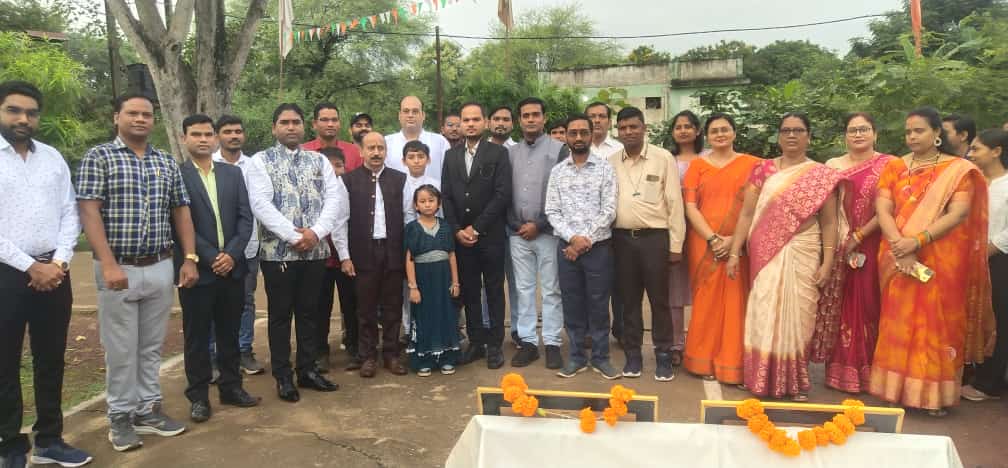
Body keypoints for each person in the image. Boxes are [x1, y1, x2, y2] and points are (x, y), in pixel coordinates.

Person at [77, 92, 197, 451]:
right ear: (117, 117)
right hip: (119, 268)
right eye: (132, 113)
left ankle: (147, 409)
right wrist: (108, 263)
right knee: (120, 349)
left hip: (159, 265)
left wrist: (189, 258)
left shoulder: (165, 161)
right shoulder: (99, 157)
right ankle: (120, 415)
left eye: (146, 114)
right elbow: (89, 211)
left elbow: (181, 211)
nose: (141, 119)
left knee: (151, 345)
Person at [869, 107, 994, 416]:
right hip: (897, 255)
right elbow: (883, 208)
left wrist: (917, 241)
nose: (912, 136)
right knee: (897, 322)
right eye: (908, 132)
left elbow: (959, 213)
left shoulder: (958, 169)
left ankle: (932, 396)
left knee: (936, 324)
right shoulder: (895, 166)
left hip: (939, 257)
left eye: (919, 130)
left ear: (937, 133)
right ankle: (894, 390)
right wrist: (900, 244)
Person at [0, 81, 91, 467]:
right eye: (14, 110)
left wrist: (60, 262)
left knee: (51, 358)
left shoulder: (52, 158)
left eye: (31, 112)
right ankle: (9, 445)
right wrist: (30, 266)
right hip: (6, 274)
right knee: (4, 362)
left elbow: (71, 211)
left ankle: (50, 439)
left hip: (55, 271)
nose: (24, 118)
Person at [726, 112, 844, 401]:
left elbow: (830, 222)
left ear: (809, 137)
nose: (792, 135)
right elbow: (747, 214)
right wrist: (734, 252)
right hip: (765, 249)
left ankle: (793, 381)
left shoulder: (821, 175)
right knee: (763, 310)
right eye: (786, 130)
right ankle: (759, 378)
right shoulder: (763, 170)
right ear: (778, 136)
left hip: (805, 247)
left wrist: (828, 261)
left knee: (801, 315)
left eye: (798, 130)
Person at [246, 103, 345, 402]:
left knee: (309, 313)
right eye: (284, 122)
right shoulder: (260, 161)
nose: (291, 127)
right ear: (274, 127)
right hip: (278, 254)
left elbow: (333, 200)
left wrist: (315, 233)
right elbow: (260, 204)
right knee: (280, 316)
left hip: (315, 252)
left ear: (304, 126)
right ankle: (283, 376)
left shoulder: (319, 160)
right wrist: (293, 236)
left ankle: (308, 370)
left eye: (296, 122)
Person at [175, 114, 260, 424]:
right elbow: (179, 222)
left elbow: (246, 218)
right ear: (184, 138)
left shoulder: (232, 174)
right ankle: (198, 396)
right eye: (196, 134)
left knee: (229, 332)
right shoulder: (178, 174)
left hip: (233, 268)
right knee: (197, 336)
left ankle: (231, 387)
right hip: (198, 269)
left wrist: (232, 254)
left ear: (214, 138)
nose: (203, 139)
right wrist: (213, 256)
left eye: (207, 134)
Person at [808, 113, 892, 393]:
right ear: (845, 135)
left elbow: (890, 208)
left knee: (870, 304)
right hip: (840, 243)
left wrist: (860, 235)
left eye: (864, 129)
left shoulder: (890, 165)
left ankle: (872, 372)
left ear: (875, 134)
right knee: (841, 305)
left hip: (875, 243)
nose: (858, 134)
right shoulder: (832, 165)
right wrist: (838, 243)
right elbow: (827, 212)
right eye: (852, 130)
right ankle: (840, 372)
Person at [681, 113, 760, 384]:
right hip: (704, 243)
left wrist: (735, 240)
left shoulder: (754, 165)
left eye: (725, 129)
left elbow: (758, 208)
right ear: (707, 136)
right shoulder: (697, 166)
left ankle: (732, 364)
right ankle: (700, 360)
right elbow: (690, 207)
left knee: (737, 301)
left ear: (734, 133)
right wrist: (713, 239)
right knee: (705, 300)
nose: (720, 135)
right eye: (714, 131)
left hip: (740, 243)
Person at [609, 106, 685, 381]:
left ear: (644, 129)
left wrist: (676, 245)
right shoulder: (611, 161)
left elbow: (674, 202)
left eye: (634, 127)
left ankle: (663, 355)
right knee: (628, 301)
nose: (628, 132)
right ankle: (633, 356)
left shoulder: (663, 158)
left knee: (659, 300)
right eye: (623, 128)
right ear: (617, 131)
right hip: (622, 240)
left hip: (655, 239)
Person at [545, 114, 621, 380]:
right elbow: (552, 211)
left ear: (591, 135)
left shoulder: (605, 168)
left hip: (597, 249)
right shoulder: (557, 172)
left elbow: (609, 209)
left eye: (583, 133)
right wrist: (572, 238)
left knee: (599, 304)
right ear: (566, 136)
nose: (578, 138)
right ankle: (576, 357)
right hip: (567, 249)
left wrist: (583, 240)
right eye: (573, 133)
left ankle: (601, 358)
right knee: (572, 303)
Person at [442, 102, 512, 369]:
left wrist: (477, 227)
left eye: (475, 119)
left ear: (485, 122)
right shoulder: (451, 156)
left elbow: (502, 194)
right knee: (470, 290)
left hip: (490, 235)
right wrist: (457, 229)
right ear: (460, 123)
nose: (470, 124)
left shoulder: (498, 153)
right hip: (462, 238)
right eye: (466, 120)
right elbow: (446, 195)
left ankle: (495, 344)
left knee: (493, 290)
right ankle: (476, 342)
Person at [338, 132, 409, 378]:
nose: (376, 152)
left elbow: (408, 217)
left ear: (386, 151)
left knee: (393, 306)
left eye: (380, 147)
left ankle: (391, 354)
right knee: (365, 308)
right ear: (361, 151)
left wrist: (407, 253)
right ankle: (367, 356)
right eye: (371, 148)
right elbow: (339, 221)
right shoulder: (348, 181)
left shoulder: (400, 179)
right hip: (362, 252)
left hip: (393, 250)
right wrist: (345, 256)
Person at [508, 97, 568, 370]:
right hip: (518, 233)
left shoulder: (559, 150)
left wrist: (539, 225)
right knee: (523, 289)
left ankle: (552, 342)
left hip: (548, 233)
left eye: (535, 114)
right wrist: (516, 225)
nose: (531, 119)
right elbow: (504, 192)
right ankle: (529, 342)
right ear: (519, 120)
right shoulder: (510, 153)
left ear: (544, 118)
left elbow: (563, 194)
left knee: (552, 289)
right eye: (526, 115)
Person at [212, 114, 265, 376]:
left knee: (246, 300)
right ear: (217, 136)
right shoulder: (208, 163)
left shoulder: (255, 165)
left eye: (238, 131)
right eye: (228, 131)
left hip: (248, 246)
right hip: (214, 248)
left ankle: (244, 350)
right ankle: (213, 356)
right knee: (213, 302)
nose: (234, 136)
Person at [962, 129, 1008, 402]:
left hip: (999, 260)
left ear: (996, 151)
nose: (970, 154)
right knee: (972, 315)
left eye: (976, 149)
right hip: (969, 259)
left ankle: (989, 384)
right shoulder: (973, 181)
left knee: (998, 319)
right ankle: (973, 373)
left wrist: (987, 251)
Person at [405, 185, 462, 376]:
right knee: (424, 316)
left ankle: (447, 358)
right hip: (422, 280)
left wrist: (455, 282)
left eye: (431, 200)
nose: (427, 205)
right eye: (422, 201)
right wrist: (413, 287)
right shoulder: (412, 228)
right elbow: (409, 259)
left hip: (443, 279)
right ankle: (424, 359)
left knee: (445, 315)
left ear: (439, 203)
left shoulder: (445, 226)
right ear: (416, 205)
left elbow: (451, 255)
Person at [315, 147, 359, 373]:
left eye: (338, 165)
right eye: (328, 165)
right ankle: (320, 352)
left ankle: (353, 347)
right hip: (319, 256)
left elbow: (344, 223)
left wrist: (346, 256)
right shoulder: (312, 190)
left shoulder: (347, 187)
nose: (333, 170)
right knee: (320, 306)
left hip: (346, 256)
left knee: (351, 304)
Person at [586, 101, 624, 345]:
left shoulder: (620, 149)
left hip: (617, 226)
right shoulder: (576, 148)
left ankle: (621, 330)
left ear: (609, 121)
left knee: (620, 283)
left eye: (601, 116)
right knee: (591, 285)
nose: (597, 120)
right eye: (592, 116)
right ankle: (591, 331)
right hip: (585, 231)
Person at [667, 110, 703, 370]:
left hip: (705, 230)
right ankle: (676, 345)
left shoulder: (709, 159)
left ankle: (702, 344)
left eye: (688, 126)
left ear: (697, 130)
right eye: (678, 127)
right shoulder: (667, 160)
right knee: (675, 292)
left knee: (705, 290)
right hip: (675, 231)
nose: (683, 131)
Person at [401, 141, 441, 344]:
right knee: (409, 287)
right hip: (408, 239)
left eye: (420, 157)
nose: (416, 161)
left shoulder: (436, 183)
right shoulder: (400, 183)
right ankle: (409, 329)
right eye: (411, 157)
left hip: (433, 239)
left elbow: (441, 214)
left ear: (428, 159)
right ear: (404, 161)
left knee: (433, 285)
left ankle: (435, 327)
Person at [385, 96, 450, 182]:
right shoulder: (386, 143)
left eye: (415, 111)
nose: (410, 115)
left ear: (423, 115)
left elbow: (449, 176)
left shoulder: (440, 142)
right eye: (406, 111)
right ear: (399, 115)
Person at [303, 102, 362, 171]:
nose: (330, 124)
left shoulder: (354, 151)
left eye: (334, 120)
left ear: (339, 123)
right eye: (324, 120)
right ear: (314, 124)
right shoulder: (303, 152)